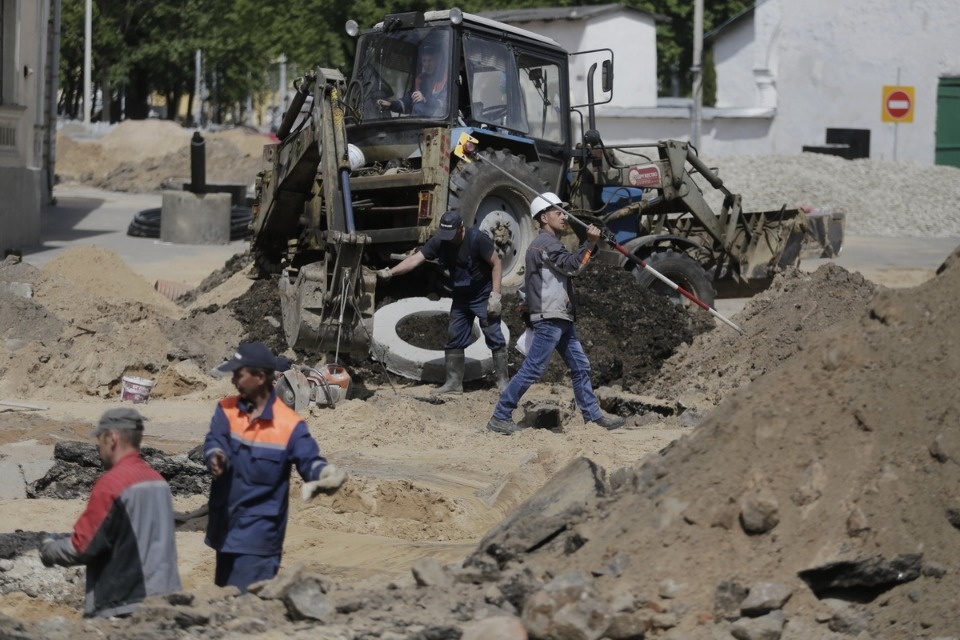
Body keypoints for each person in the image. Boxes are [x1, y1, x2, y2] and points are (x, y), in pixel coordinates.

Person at [204, 342, 345, 592]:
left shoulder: (289, 425)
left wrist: (325, 475)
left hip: (258, 540)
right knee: (225, 604)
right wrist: (215, 455)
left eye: (239, 373)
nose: (234, 379)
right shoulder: (226, 409)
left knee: (247, 611)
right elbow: (215, 439)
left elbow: (309, 462)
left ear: (259, 377)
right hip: (224, 531)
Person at [486, 192, 626, 435]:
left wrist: (590, 246)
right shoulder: (545, 244)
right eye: (558, 212)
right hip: (550, 317)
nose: (564, 216)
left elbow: (571, 263)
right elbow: (572, 266)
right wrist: (590, 243)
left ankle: (592, 417)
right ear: (543, 218)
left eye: (564, 212)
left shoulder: (550, 244)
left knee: (580, 366)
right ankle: (500, 415)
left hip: (561, 317)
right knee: (533, 369)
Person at [39, 407, 182, 618]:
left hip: (124, 605)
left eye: (99, 439)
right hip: (166, 600)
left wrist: (49, 549)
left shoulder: (111, 484)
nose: (98, 447)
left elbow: (82, 547)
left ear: (112, 438)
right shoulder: (158, 481)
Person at [376, 211, 509, 393]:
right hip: (461, 295)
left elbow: (496, 263)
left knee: (493, 333)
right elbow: (416, 259)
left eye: (451, 234)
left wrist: (495, 296)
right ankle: (454, 383)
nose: (448, 238)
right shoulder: (441, 240)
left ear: (461, 228)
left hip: (482, 293)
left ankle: (503, 381)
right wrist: (391, 272)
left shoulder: (477, 239)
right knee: (455, 336)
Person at [377, 42, 448, 117]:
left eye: (430, 60)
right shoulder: (420, 80)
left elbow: (444, 105)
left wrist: (425, 100)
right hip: (419, 124)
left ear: (438, 61)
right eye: (424, 61)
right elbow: (407, 103)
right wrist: (391, 104)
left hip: (439, 124)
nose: (427, 64)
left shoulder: (446, 79)